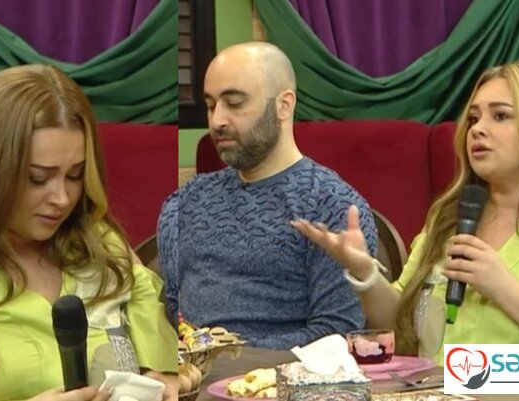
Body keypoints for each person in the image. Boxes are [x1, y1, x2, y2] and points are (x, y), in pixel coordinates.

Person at [292, 61, 519, 368]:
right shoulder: (449, 217)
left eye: (500, 116)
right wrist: (365, 273)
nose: (478, 129)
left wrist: (503, 287)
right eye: (473, 118)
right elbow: (401, 326)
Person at [0, 65, 178, 401]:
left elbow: (165, 368)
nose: (61, 198)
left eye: (75, 175)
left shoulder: (100, 244)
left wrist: (167, 380)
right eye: (38, 178)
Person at [158, 42, 378, 349]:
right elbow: (172, 312)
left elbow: (336, 333)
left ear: (283, 105)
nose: (217, 120)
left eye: (234, 103)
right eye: (210, 105)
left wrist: (229, 358)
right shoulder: (185, 202)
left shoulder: (331, 205)